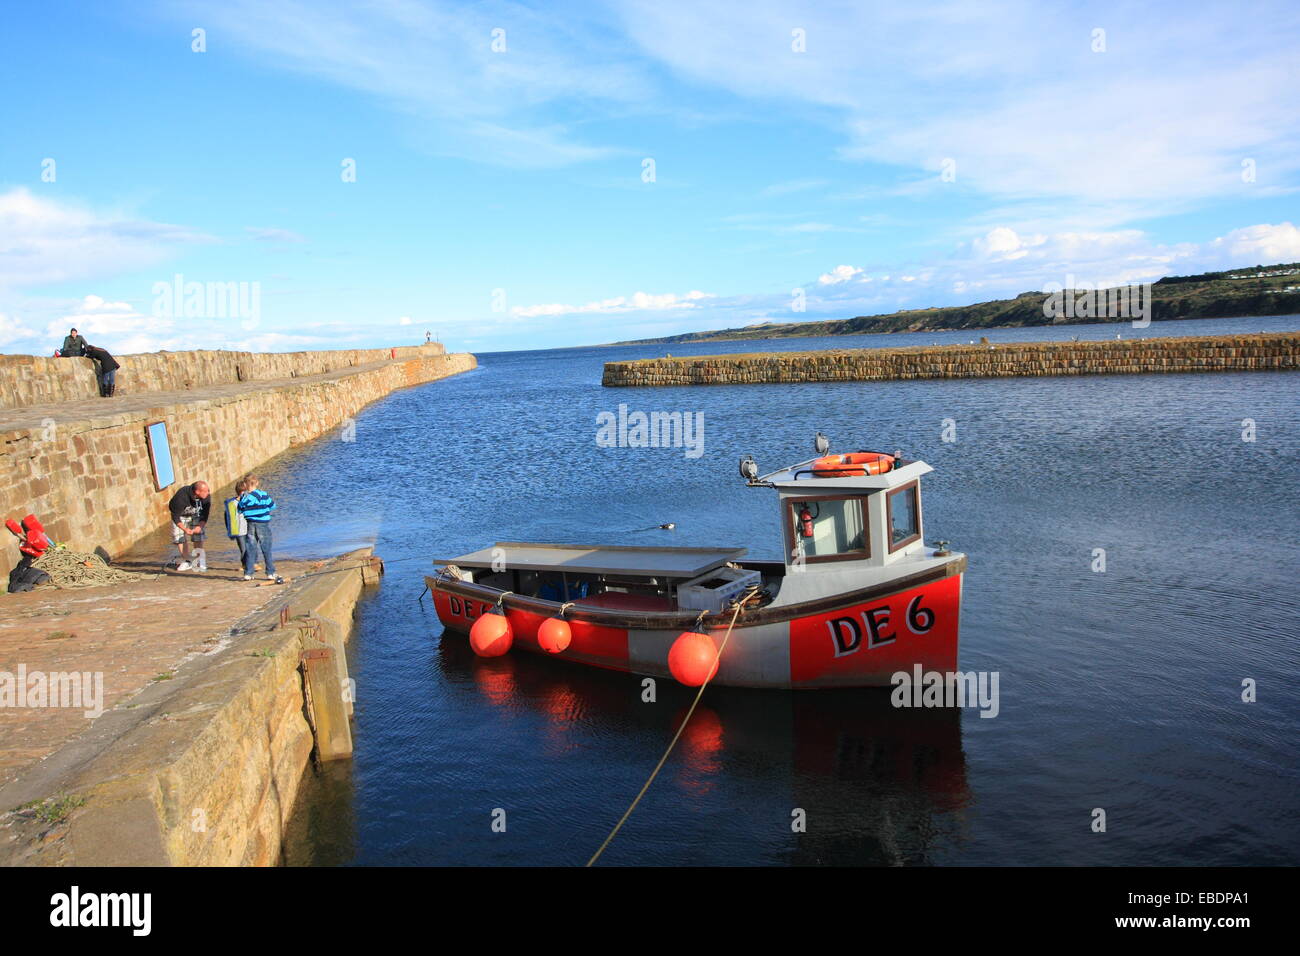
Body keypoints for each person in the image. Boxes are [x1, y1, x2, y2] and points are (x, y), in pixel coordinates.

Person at [238, 474, 279, 581]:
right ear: (257, 483)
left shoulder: (244, 497)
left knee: (251, 548)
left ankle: (248, 573)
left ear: (245, 484)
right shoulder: (263, 494)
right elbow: (273, 505)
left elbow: (240, 510)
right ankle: (270, 572)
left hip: (250, 523)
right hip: (263, 524)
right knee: (266, 548)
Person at [168, 480, 211, 572]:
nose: (208, 492)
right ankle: (187, 561)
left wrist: (200, 526)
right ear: (197, 492)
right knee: (179, 537)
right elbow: (175, 517)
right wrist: (185, 529)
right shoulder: (181, 497)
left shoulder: (206, 497)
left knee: (198, 537)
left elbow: (205, 514)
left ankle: (200, 561)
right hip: (181, 516)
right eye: (206, 491)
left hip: (196, 515)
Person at [223, 479, 250, 571]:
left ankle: (253, 563)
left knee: (250, 546)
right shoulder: (232, 504)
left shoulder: (248, 501)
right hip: (239, 531)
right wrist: (230, 531)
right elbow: (227, 518)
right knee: (243, 549)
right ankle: (245, 565)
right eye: (246, 491)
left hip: (248, 528)